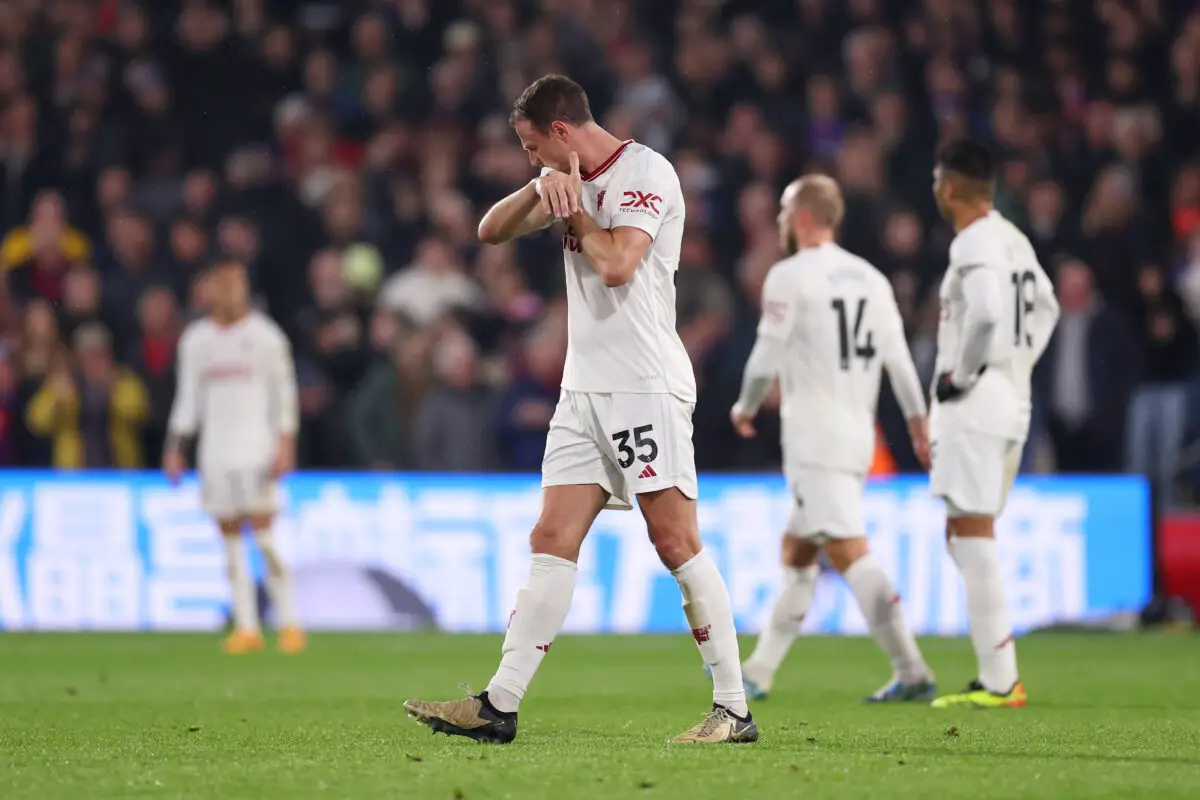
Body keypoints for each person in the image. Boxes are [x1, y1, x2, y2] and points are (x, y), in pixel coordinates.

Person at [403, 75, 758, 745]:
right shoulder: (558, 179)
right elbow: (488, 230)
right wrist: (541, 188)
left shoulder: (646, 172)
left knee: (675, 541)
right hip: (583, 391)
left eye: (534, 147)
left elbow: (620, 263)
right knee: (551, 538)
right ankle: (498, 704)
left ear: (561, 131)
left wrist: (573, 211)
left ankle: (734, 709)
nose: (532, 156)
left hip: (643, 386)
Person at [728, 175, 936, 703]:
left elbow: (763, 357)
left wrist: (745, 405)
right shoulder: (872, 278)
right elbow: (900, 362)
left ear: (800, 217)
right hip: (856, 435)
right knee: (798, 552)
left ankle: (912, 670)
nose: (778, 221)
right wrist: (917, 422)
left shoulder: (789, 275)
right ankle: (759, 670)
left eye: (782, 210)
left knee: (849, 552)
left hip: (814, 438)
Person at [926, 140, 1059, 709]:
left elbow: (984, 311)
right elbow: (1048, 305)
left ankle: (1002, 680)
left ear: (949, 187)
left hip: (977, 400)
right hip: (1011, 396)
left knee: (971, 532)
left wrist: (965, 371)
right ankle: (997, 673)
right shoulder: (1014, 239)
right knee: (965, 531)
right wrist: (1017, 365)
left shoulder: (974, 240)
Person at [163, 258, 305, 655]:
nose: (227, 291)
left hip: (256, 448)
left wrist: (285, 443)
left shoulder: (265, 337)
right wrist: (175, 447)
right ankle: (247, 626)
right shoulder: (196, 340)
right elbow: (187, 399)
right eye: (219, 283)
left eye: (234, 283)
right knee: (230, 544)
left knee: (264, 539)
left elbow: (285, 395)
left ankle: (290, 621)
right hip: (215, 453)